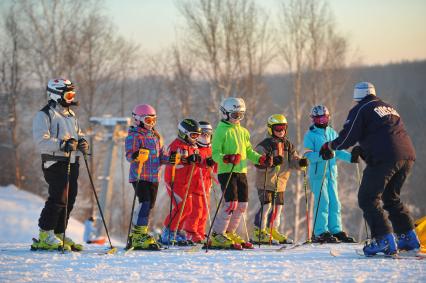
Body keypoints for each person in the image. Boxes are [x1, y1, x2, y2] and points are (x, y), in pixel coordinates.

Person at [319, 82, 419, 255]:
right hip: (407, 155)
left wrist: (330, 146)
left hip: (385, 157)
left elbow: (347, 136)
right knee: (391, 196)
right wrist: (364, 150)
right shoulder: (388, 107)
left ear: (357, 97)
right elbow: (386, 134)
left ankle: (383, 240)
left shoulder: (361, 109)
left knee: (367, 197)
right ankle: (408, 237)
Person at [31, 78, 88, 251]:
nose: (71, 98)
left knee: (70, 198)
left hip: (71, 161)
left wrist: (82, 141)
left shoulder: (71, 115)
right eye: (68, 94)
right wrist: (63, 144)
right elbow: (41, 141)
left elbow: (78, 134)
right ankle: (45, 234)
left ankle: (58, 232)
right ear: (55, 95)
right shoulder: (45, 115)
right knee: (58, 197)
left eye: (72, 94)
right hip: (54, 162)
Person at [209, 97, 272, 249]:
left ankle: (230, 232)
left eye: (240, 116)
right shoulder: (220, 131)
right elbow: (215, 154)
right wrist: (227, 158)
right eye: (234, 115)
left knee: (242, 205)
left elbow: (249, 151)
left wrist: (261, 159)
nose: (237, 119)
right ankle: (218, 234)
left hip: (241, 171)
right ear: (225, 114)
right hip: (227, 171)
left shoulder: (243, 131)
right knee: (231, 203)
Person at [304, 105, 356, 243]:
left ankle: (335, 230)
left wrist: (352, 157)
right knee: (323, 201)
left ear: (328, 117)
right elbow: (308, 155)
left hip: (332, 174)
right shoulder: (310, 136)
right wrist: (321, 155)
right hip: (318, 175)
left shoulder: (332, 133)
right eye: (318, 118)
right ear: (313, 119)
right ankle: (320, 231)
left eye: (324, 117)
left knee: (335, 202)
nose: (321, 121)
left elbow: (338, 152)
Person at [253, 114, 308, 244]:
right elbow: (257, 161)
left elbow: (293, 160)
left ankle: (272, 230)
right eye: (277, 128)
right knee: (266, 205)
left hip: (281, 182)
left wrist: (300, 163)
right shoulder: (264, 145)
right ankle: (258, 232)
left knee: (278, 207)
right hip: (266, 181)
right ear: (270, 129)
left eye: (283, 128)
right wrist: (271, 161)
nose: (281, 131)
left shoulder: (288, 145)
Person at [124, 104, 169, 250]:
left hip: (154, 176)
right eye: (148, 120)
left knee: (149, 206)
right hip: (139, 175)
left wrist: (171, 159)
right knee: (144, 202)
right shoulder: (134, 135)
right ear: (138, 120)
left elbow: (162, 155)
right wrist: (136, 155)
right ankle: (138, 235)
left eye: (153, 120)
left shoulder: (156, 136)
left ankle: (142, 232)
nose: (151, 124)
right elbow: (129, 154)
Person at [160, 119, 202, 246]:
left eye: (197, 136)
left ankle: (177, 230)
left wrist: (205, 161)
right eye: (193, 135)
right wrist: (187, 160)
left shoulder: (193, 147)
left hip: (186, 182)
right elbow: (174, 161)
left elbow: (197, 161)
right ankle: (168, 232)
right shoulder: (176, 146)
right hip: (174, 180)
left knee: (187, 209)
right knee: (180, 207)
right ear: (184, 133)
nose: (195, 138)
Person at [183, 121, 216, 243]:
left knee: (204, 211)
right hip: (195, 184)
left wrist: (215, 163)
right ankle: (190, 232)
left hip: (206, 185)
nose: (206, 136)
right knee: (196, 210)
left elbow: (215, 166)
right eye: (203, 134)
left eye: (208, 134)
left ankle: (200, 233)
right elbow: (195, 163)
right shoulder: (195, 148)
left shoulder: (210, 149)